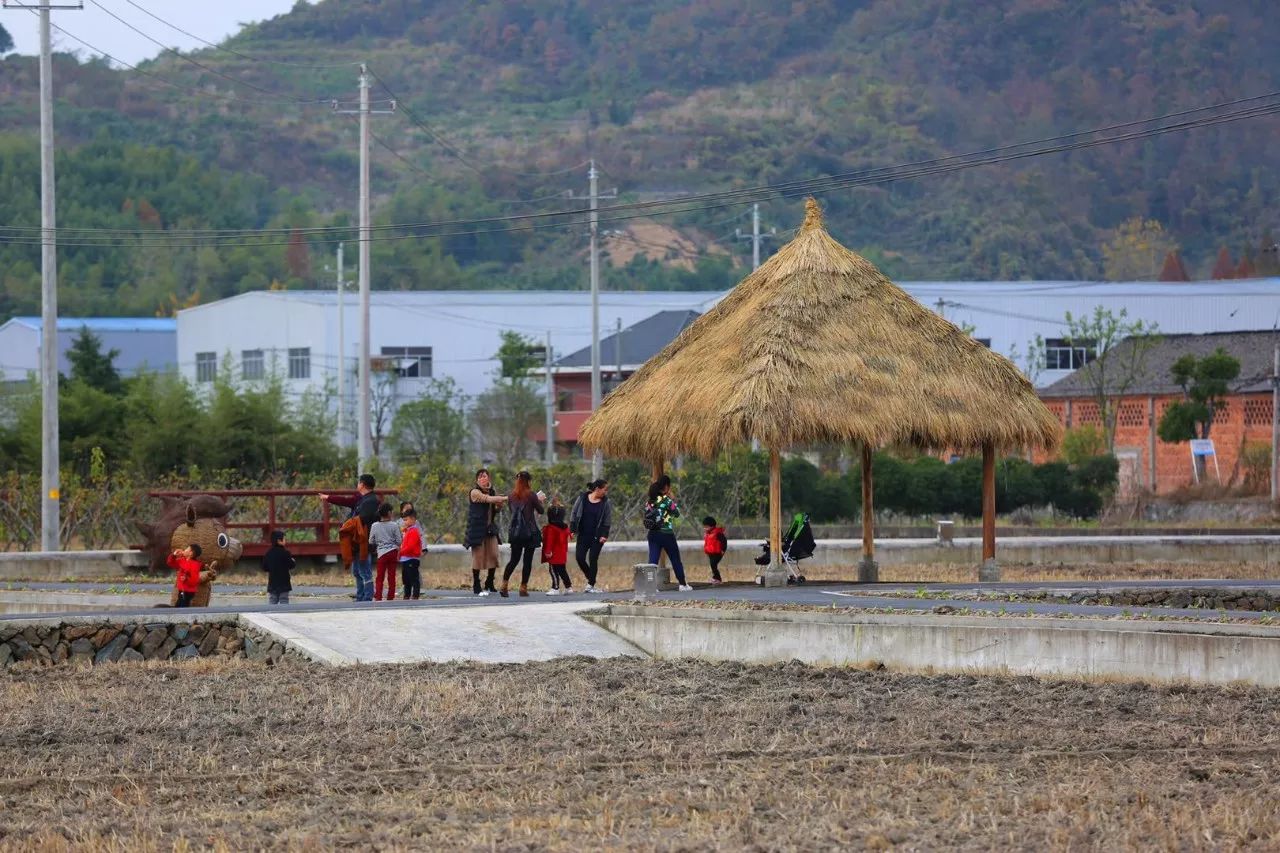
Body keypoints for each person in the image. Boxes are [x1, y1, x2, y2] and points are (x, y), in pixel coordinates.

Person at [320, 474, 380, 602]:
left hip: (364, 540)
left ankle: (367, 597)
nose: (357, 485)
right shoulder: (361, 498)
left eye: (358, 483)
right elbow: (346, 501)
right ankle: (360, 596)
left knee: (365, 571)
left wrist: (348, 524)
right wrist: (328, 498)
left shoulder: (371, 501)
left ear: (362, 484)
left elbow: (363, 518)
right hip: (355, 540)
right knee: (357, 571)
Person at [501, 471, 546, 598]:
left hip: (515, 532)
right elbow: (541, 510)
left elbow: (513, 513)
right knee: (527, 561)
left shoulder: (511, 496)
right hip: (529, 533)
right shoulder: (531, 495)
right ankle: (523, 588)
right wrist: (539, 500)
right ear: (528, 481)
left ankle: (504, 586)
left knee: (513, 560)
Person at [464, 469, 507, 596]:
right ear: (477, 480)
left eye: (485, 476)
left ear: (488, 479)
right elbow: (486, 499)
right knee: (478, 557)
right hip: (477, 528)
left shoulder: (492, 492)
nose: (483, 479)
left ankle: (489, 582)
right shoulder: (474, 492)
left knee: (494, 555)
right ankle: (476, 584)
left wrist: (499, 506)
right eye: (481, 477)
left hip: (489, 528)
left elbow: (495, 508)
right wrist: (506, 498)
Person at [646, 475, 691, 591]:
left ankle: (650, 586)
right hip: (666, 533)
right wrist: (672, 499)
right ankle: (682, 584)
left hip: (653, 534)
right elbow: (676, 513)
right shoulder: (666, 500)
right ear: (666, 487)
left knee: (652, 561)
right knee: (675, 558)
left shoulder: (650, 501)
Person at [569, 478, 612, 593]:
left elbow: (607, 520)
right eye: (604, 489)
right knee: (580, 558)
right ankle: (591, 578)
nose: (605, 492)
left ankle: (590, 585)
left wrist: (604, 535)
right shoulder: (582, 498)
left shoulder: (605, 503)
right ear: (597, 489)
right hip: (583, 534)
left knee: (593, 558)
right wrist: (572, 529)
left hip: (597, 536)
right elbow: (574, 513)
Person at [368, 502, 402, 602]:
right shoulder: (394, 525)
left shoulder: (374, 526)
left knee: (380, 576)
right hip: (392, 552)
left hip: (381, 553)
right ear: (389, 513)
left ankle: (378, 596)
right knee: (391, 576)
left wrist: (379, 542)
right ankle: (390, 596)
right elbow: (399, 541)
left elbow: (371, 541)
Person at [541, 500, 572, 596]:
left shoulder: (551, 528)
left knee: (553, 570)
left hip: (553, 554)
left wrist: (548, 551)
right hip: (562, 553)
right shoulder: (565, 527)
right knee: (562, 570)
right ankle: (568, 587)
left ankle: (555, 587)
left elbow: (549, 541)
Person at [261, 530, 295, 605]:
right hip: (284, 582)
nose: (285, 541)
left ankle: (271, 613)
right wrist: (293, 560)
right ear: (279, 541)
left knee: (273, 600)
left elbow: (264, 567)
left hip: (272, 582)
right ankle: (283, 615)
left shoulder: (268, 553)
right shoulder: (285, 553)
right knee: (284, 599)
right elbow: (291, 565)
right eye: (284, 539)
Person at [166, 543, 203, 608]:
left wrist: (186, 579)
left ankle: (182, 616)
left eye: (187, 549)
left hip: (188, 591)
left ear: (191, 553)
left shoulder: (195, 565)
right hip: (182, 589)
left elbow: (194, 580)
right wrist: (174, 555)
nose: (184, 550)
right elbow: (170, 563)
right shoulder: (182, 560)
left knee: (182, 606)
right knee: (179, 605)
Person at [399, 507, 423, 600]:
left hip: (411, 558)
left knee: (413, 578)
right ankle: (407, 594)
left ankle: (415, 595)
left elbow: (410, 547)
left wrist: (400, 552)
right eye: (404, 520)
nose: (405, 522)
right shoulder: (408, 531)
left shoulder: (413, 531)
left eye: (406, 520)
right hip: (406, 558)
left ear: (413, 519)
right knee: (406, 579)